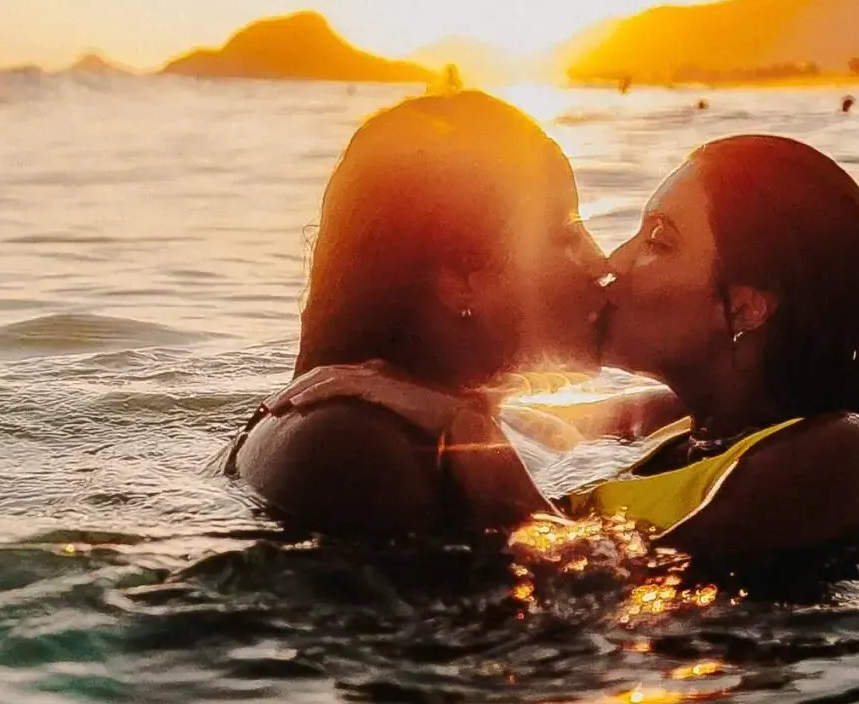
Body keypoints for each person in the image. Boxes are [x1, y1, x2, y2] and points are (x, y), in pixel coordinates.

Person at [269, 135, 859, 560]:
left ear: (749, 304)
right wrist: (412, 384)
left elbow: (617, 597)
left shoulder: (843, 456)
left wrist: (464, 430)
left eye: (660, 241)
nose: (614, 261)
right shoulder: (670, 417)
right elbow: (535, 424)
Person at [226, 92, 607, 535]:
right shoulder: (359, 448)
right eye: (567, 234)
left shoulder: (455, 417)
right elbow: (579, 595)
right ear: (462, 277)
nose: (600, 262)